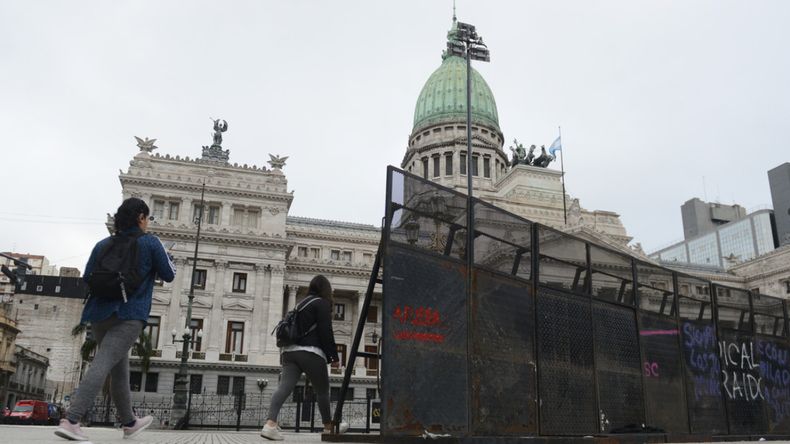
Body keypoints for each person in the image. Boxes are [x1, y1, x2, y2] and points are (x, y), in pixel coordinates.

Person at [55, 197, 176, 441]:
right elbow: (169, 275)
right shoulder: (151, 242)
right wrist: (165, 255)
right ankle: (72, 419)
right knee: (103, 362)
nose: (147, 222)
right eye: (147, 218)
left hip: (98, 312)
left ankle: (129, 422)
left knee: (118, 368)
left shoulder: (103, 244)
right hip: (130, 313)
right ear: (141, 217)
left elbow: (88, 275)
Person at [261, 275, 343, 441]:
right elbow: (325, 332)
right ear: (326, 289)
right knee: (322, 391)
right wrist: (333, 356)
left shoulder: (301, 304)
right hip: (310, 352)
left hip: (289, 352)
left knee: (284, 388)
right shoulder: (322, 304)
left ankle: (270, 425)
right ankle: (329, 427)